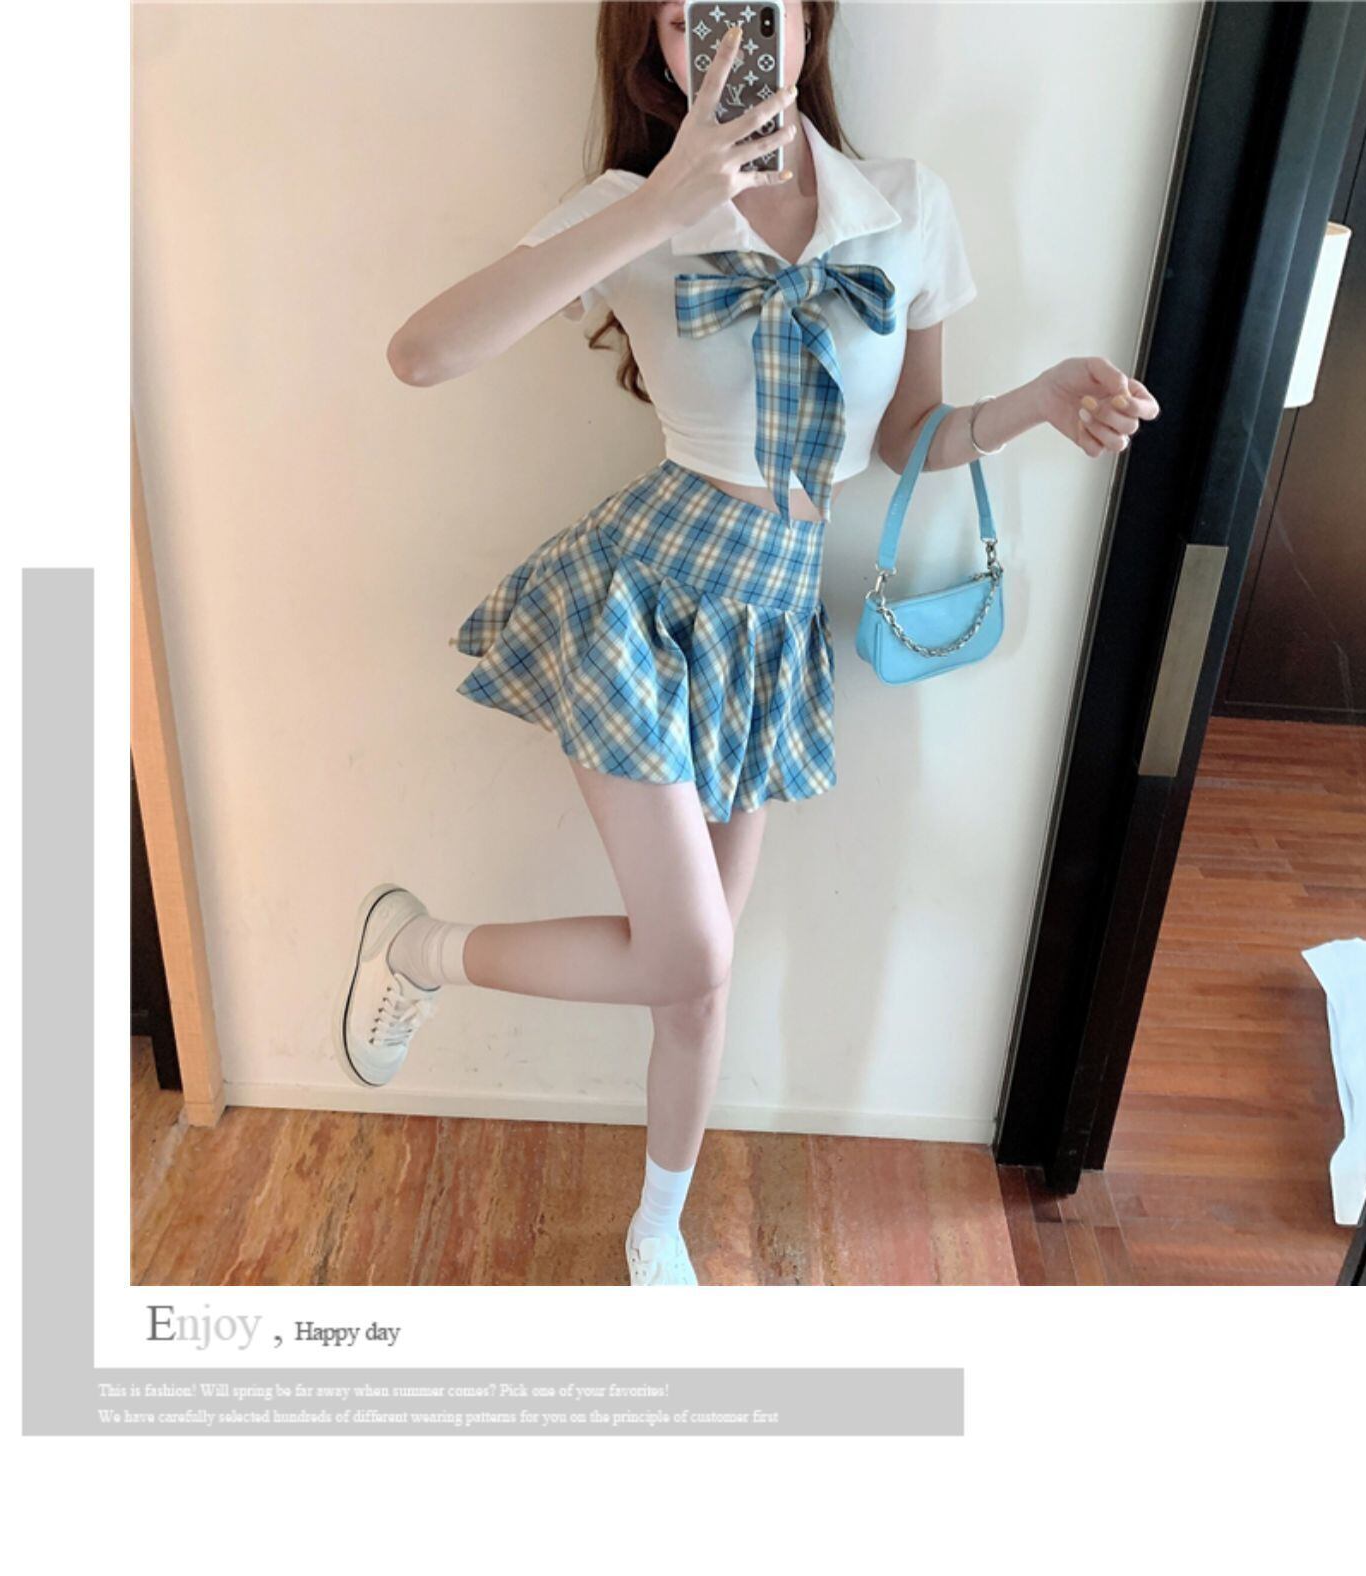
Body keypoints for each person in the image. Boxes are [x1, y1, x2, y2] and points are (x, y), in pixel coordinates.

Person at [341, 1, 1159, 1286]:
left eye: (755, 6)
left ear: (807, 20)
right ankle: (415, 949)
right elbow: (420, 354)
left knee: (700, 987)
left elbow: (909, 438)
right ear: (658, 53)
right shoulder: (632, 206)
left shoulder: (903, 206)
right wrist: (659, 207)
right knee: (692, 948)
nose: (726, 40)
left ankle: (656, 1227)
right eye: (688, 19)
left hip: (772, 621)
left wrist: (1040, 402)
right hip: (642, 596)